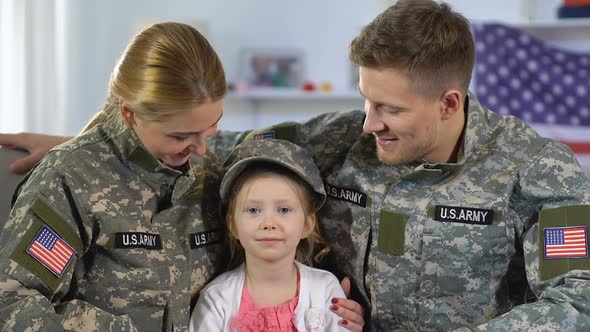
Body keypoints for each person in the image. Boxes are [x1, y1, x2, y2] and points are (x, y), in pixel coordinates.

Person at [3, 0, 590, 330]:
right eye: (364, 99)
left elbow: (578, 299)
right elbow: (228, 143)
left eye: (389, 109)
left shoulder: (540, 172)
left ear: (449, 102)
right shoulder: (342, 140)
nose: (368, 123)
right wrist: (91, 143)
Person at [0, 22, 363, 331]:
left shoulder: (213, 166)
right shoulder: (70, 179)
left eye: (211, 128)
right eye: (180, 136)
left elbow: (308, 136)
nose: (202, 149)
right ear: (129, 114)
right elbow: (11, 303)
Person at [190, 139, 347, 331]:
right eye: (254, 210)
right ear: (233, 224)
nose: (268, 223)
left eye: (284, 209)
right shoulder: (216, 298)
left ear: (307, 224)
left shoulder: (324, 289)